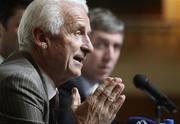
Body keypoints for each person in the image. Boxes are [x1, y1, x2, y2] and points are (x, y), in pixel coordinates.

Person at [0, 0, 126, 124]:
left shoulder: (42, 82)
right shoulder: (21, 82)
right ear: (42, 38)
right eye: (78, 33)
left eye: (87, 35)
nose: (89, 47)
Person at [58, 8, 125, 124]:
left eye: (116, 47)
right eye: (100, 45)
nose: (110, 56)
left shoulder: (108, 96)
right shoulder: (59, 91)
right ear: (83, 44)